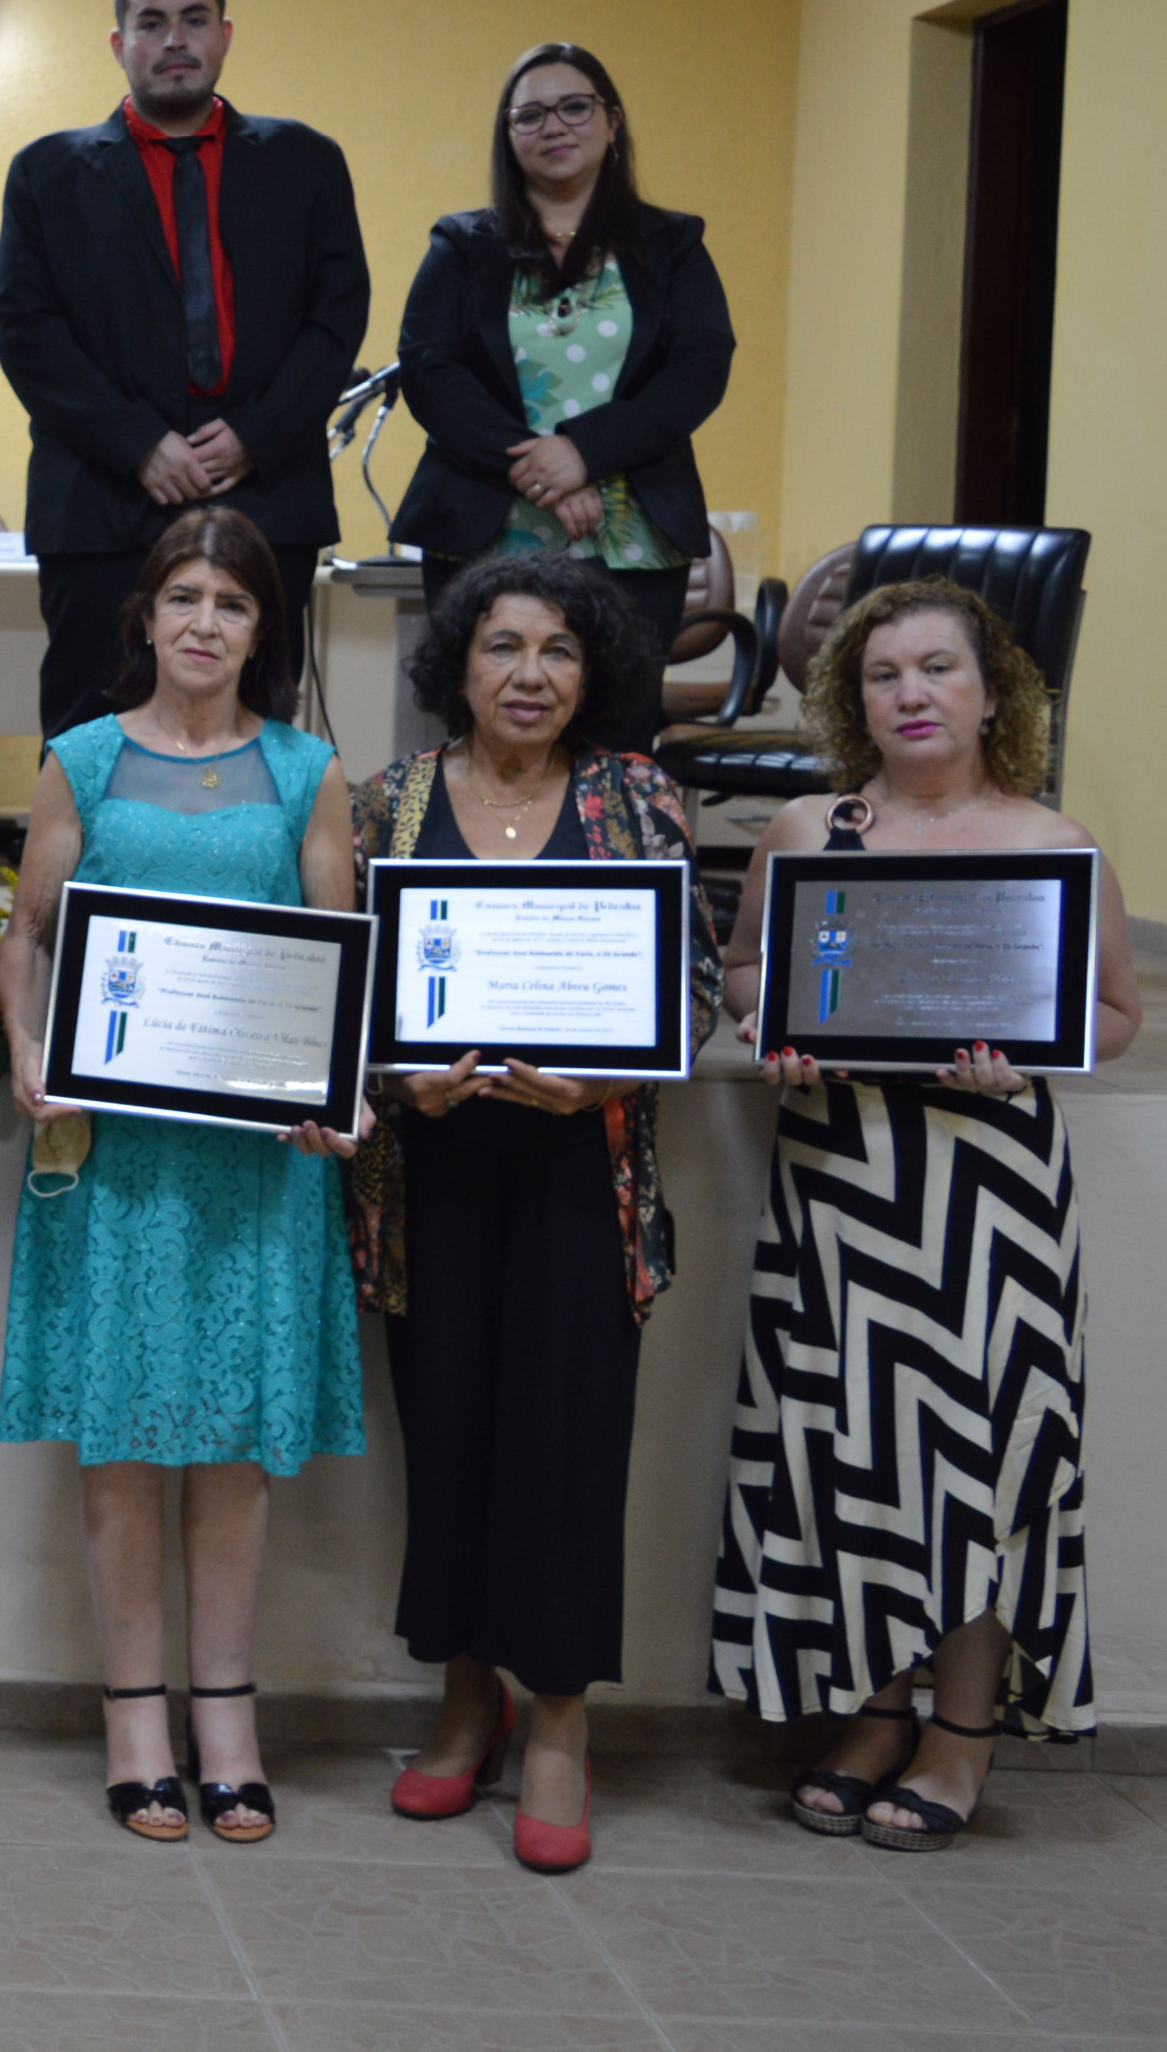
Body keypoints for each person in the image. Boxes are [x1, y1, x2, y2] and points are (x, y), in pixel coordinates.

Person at [713, 579, 1139, 1852]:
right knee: (848, 1447)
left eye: (937, 670)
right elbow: (745, 965)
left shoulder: (1051, 843)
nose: (910, 694)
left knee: (981, 1461)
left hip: (986, 1195)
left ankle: (962, 1733)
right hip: (839, 1179)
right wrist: (762, 1020)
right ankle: (873, 1707)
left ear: (992, 692)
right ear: (853, 700)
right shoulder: (805, 829)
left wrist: (1031, 1058)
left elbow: (1115, 1014)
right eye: (883, 674)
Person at [0, 506, 365, 1842]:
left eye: (234, 603)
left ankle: (226, 1714)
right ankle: (132, 1717)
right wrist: (28, 1048)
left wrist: (343, 1093)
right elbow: (27, 935)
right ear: (143, 615)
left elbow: (339, 957)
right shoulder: (79, 760)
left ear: (263, 629)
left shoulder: (306, 768)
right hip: (118, 1157)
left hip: (256, 1160)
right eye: (184, 597)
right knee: (121, 1440)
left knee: (230, 1448)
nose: (205, 623)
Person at [343, 553, 718, 1874]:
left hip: (577, 1174)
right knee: (445, 1436)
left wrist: (605, 1073)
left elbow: (693, 989)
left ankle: (555, 1719)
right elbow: (351, 996)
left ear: (591, 672)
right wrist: (396, 1075)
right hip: (430, 1174)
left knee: (564, 1445)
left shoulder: (633, 798)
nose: (527, 674)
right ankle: (461, 1702)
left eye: (556, 650)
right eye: (502, 647)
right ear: (458, 662)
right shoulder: (384, 801)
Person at [0, 0, 369, 737]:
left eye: (193, 21)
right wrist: (138, 444)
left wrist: (255, 438)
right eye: (151, 22)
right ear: (118, 42)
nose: (173, 41)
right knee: (90, 730)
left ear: (224, 36)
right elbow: (27, 331)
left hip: (267, 497)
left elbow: (334, 321)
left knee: (255, 729)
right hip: (102, 501)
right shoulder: (46, 174)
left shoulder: (308, 163)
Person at [391, 45, 738, 726]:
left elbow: (699, 367)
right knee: (486, 741)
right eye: (529, 116)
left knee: (614, 743)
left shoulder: (673, 244)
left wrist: (584, 453)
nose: (553, 126)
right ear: (507, 135)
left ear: (611, 122)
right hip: (483, 532)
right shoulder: (462, 245)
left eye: (573, 107)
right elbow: (427, 370)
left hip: (632, 539)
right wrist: (536, 466)